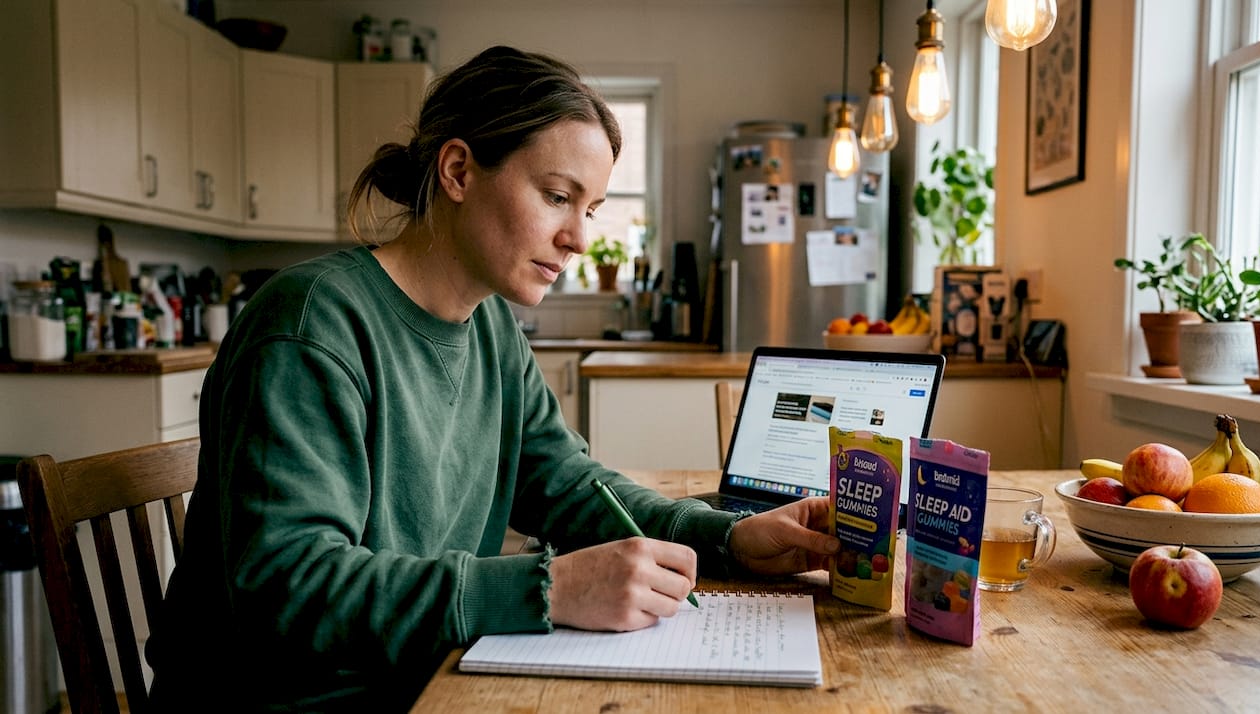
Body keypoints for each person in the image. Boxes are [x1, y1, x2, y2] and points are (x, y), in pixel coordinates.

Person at [146, 45, 839, 712]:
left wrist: (725, 536)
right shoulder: (310, 326)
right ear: (457, 171)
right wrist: (547, 588)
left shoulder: (489, 327)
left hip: (423, 678)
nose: (579, 238)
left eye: (589, 209)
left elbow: (568, 486)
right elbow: (287, 590)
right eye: (557, 196)